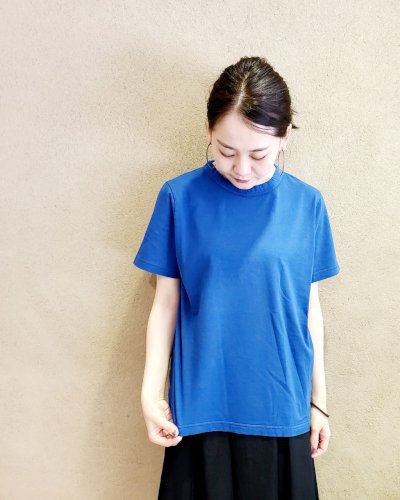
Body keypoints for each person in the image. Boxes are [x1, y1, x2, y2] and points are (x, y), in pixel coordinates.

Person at [133, 56, 340, 500]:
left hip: (282, 407)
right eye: (227, 151)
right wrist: (150, 393)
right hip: (200, 407)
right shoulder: (179, 198)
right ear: (209, 133)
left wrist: (319, 401)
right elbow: (165, 305)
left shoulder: (307, 205)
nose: (242, 168)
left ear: (284, 137)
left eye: (258, 154)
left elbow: (308, 311)